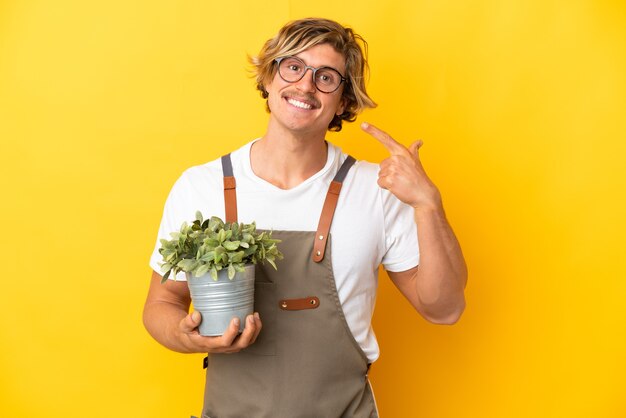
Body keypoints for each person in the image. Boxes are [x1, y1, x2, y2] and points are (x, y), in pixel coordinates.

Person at [143, 17, 467, 418]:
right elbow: (161, 302)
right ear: (269, 76)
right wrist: (185, 336)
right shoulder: (201, 185)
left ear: (344, 102)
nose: (306, 86)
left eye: (326, 77)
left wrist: (428, 205)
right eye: (293, 67)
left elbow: (444, 308)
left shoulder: (377, 189)